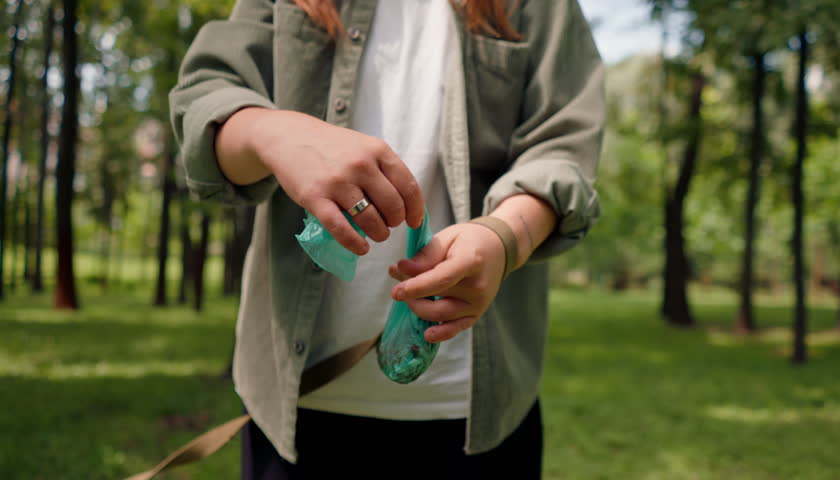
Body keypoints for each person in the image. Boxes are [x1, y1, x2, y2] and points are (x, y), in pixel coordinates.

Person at [170, 0, 603, 478]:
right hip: (293, 415)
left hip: (476, 420)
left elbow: (563, 146)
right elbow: (204, 104)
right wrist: (272, 134)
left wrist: (503, 237)